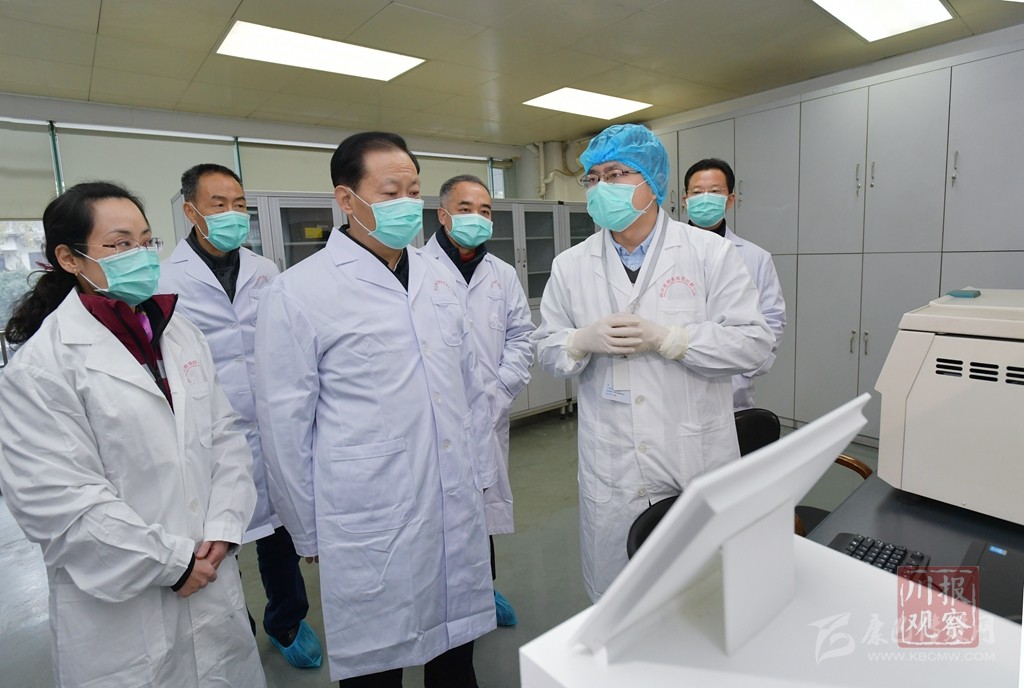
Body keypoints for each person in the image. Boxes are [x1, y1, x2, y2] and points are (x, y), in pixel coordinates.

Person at [254, 131, 498, 686]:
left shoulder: (438, 277)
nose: (406, 204)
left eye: (413, 191)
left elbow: (468, 390)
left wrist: (480, 474)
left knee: (455, 656)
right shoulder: (299, 291)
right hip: (367, 509)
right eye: (390, 192)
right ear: (347, 199)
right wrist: (306, 529)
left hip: (451, 493)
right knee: (377, 663)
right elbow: (284, 424)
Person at [0, 182, 266, 687]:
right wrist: (174, 564)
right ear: (69, 258)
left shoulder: (178, 333)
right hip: (123, 606)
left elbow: (225, 436)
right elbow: (57, 501)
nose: (141, 255)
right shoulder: (42, 368)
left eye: (146, 241)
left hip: (211, 572)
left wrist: (224, 524)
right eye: (120, 244)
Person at [532, 124, 774, 601]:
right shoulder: (571, 265)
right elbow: (546, 348)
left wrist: (674, 339)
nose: (601, 187)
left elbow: (754, 344)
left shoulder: (710, 253)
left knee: (699, 591)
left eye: (616, 174)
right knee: (620, 594)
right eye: (593, 178)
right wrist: (579, 340)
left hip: (693, 449)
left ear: (652, 181)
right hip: (612, 458)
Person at [158, 163, 323, 667]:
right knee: (219, 540)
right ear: (191, 211)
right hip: (209, 433)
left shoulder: (265, 269)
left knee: (279, 535)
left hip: (270, 423)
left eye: (239, 205)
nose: (232, 214)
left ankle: (286, 620)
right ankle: (237, 630)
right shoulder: (165, 277)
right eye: (219, 204)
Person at [421, 174, 534, 627]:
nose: (477, 218)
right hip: (433, 416)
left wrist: (501, 388)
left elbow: (522, 337)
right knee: (438, 512)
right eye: (466, 209)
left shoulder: (502, 274)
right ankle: (441, 599)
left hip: (487, 412)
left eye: (485, 211)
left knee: (480, 508)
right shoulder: (416, 269)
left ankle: (483, 588)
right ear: (443, 214)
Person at [683, 158, 787, 410]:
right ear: (685, 199)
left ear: (730, 200)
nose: (705, 198)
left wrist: (745, 368)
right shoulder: (664, 253)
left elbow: (773, 321)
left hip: (732, 389)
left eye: (714, 191)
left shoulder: (756, 257)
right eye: (697, 192)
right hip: (677, 381)